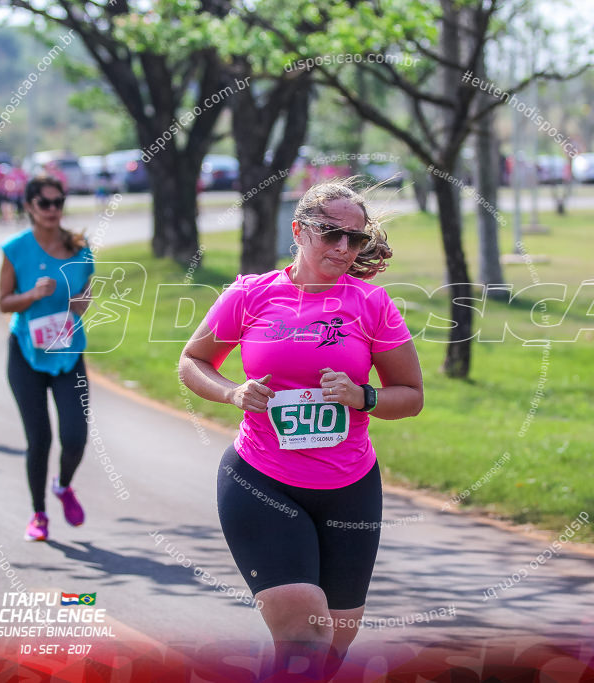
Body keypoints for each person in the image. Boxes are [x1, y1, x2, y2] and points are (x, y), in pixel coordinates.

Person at [179, 178, 423, 679]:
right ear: (298, 230)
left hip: (350, 487)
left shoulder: (372, 305)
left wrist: (364, 396)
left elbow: (412, 396)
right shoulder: (250, 295)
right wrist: (232, 392)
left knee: (330, 645)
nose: (342, 247)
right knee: (305, 636)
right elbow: (192, 361)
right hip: (260, 479)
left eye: (354, 238)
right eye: (330, 233)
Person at [0, 176, 93, 541]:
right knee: (39, 438)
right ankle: (38, 515)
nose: (53, 210)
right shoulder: (15, 248)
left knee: (75, 437)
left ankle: (63, 485)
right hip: (26, 353)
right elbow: (3, 302)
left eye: (58, 202)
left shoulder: (80, 247)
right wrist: (31, 296)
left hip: (68, 352)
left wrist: (82, 303)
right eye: (45, 203)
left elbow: (84, 295)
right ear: (30, 207)